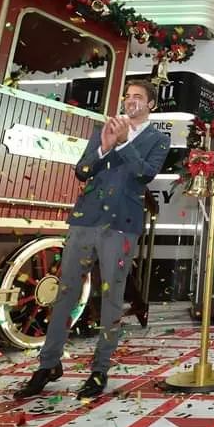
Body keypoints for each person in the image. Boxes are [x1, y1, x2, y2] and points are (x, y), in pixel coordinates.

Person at [14, 80, 171, 401]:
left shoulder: (158, 139)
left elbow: (144, 175)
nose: (130, 101)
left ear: (151, 105)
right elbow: (82, 170)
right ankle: (48, 364)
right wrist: (104, 148)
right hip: (85, 220)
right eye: (127, 96)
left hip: (122, 226)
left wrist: (123, 145)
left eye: (138, 97)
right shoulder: (105, 129)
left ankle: (100, 369)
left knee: (112, 299)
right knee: (66, 294)